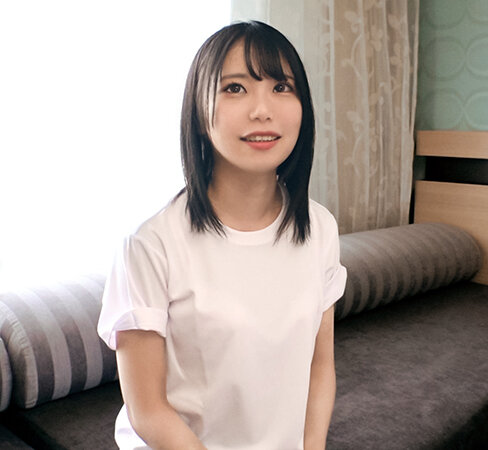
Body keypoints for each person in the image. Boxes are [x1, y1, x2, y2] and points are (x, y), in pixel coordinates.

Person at [97, 20, 347, 450]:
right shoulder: (151, 243)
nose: (262, 110)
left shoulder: (320, 228)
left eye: (281, 87)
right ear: (198, 112)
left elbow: (319, 366)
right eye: (235, 88)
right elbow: (148, 411)